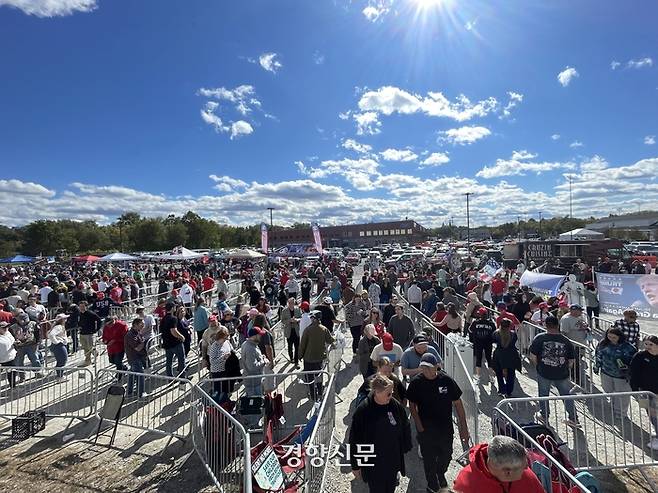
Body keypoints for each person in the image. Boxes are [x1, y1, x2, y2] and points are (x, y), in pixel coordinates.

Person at [407, 352, 470, 492]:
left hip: (445, 429)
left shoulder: (446, 381)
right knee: (429, 460)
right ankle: (432, 485)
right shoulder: (416, 382)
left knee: (446, 455)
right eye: (423, 367)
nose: (426, 371)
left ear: (436, 366)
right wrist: (418, 424)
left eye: (429, 367)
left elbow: (458, 403)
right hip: (426, 430)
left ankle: (440, 473)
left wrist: (463, 427)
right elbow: (412, 404)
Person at [349, 374, 412, 493]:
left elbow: (405, 424)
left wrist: (405, 445)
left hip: (392, 459)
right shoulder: (363, 411)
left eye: (392, 392)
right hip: (373, 463)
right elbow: (354, 440)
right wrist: (355, 465)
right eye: (388, 394)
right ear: (377, 392)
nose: (391, 395)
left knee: (390, 488)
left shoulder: (394, 405)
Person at [529, 315, 580, 428]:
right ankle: (573, 418)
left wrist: (538, 366)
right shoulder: (566, 340)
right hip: (562, 373)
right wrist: (566, 368)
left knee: (543, 394)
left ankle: (544, 415)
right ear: (558, 325)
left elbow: (533, 355)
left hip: (544, 371)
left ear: (545, 325)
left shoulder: (539, 338)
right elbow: (571, 360)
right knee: (566, 395)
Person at [453, 435, 545, 493]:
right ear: (507, 473)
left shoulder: (526, 476)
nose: (526, 469)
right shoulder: (467, 485)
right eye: (522, 467)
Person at [593, 327, 636, 419]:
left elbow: (634, 362)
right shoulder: (603, 343)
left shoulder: (629, 347)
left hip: (621, 376)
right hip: (606, 372)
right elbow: (598, 355)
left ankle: (621, 413)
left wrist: (628, 368)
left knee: (622, 395)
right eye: (609, 336)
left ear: (620, 337)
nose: (611, 339)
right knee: (609, 391)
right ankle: (614, 407)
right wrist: (597, 366)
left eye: (614, 337)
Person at [629, 335, 658, 450]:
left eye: (651, 344)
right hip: (643, 392)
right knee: (650, 414)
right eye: (646, 344)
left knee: (656, 415)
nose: (648, 347)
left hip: (656, 393)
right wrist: (635, 390)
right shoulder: (640, 356)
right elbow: (633, 373)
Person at [299, 310, 335, 400]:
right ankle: (320, 392)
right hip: (319, 358)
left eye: (311, 317)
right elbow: (330, 340)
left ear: (314, 318)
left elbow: (302, 345)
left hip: (308, 359)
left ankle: (313, 395)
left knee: (310, 378)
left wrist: (300, 356)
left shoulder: (307, 330)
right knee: (319, 376)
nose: (310, 319)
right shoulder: (324, 329)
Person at [492, 318, 521, 398]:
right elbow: (515, 342)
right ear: (509, 326)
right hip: (511, 355)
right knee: (511, 374)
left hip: (499, 355)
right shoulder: (513, 334)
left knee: (499, 373)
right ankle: (509, 391)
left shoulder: (496, 333)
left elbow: (493, 341)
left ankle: (501, 390)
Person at [468, 307, 496, 381]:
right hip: (488, 343)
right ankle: (491, 376)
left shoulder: (475, 322)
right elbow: (494, 332)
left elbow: (470, 330)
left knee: (479, 358)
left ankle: (478, 376)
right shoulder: (491, 323)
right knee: (489, 359)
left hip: (478, 343)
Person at [124, 317, 149, 398]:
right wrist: (144, 342)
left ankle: (129, 392)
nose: (143, 326)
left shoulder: (137, 332)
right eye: (141, 324)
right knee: (140, 375)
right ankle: (141, 393)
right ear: (135, 325)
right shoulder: (130, 335)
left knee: (132, 375)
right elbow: (137, 348)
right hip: (134, 358)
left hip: (137, 358)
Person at [160, 302, 186, 379]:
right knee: (181, 360)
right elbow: (173, 331)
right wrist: (181, 337)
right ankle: (183, 377)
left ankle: (169, 377)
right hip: (175, 343)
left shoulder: (163, 319)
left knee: (169, 361)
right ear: (172, 308)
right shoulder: (173, 318)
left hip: (166, 343)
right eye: (174, 307)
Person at [240, 326, 268, 396]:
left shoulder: (249, 344)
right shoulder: (250, 348)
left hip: (254, 381)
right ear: (254, 336)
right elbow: (252, 367)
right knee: (256, 403)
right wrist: (263, 361)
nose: (261, 336)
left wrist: (261, 357)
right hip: (254, 383)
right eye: (259, 335)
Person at [209, 326, 233, 397]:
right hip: (217, 372)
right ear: (220, 337)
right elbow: (212, 361)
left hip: (226, 370)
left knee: (226, 390)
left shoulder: (227, 342)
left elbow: (232, 350)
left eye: (226, 338)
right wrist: (223, 358)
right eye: (224, 338)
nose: (226, 339)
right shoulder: (214, 346)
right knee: (218, 391)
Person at [78, 301, 102, 366]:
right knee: (85, 348)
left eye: (83, 306)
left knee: (91, 347)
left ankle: (96, 356)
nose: (81, 308)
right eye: (80, 307)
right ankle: (87, 360)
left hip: (90, 334)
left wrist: (96, 329)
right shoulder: (79, 314)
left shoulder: (91, 313)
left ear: (86, 306)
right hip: (82, 333)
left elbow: (99, 320)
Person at [280, 297, 301, 368]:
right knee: (290, 346)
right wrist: (290, 320)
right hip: (289, 331)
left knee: (297, 347)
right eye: (289, 303)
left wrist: (297, 320)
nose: (291, 304)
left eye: (292, 303)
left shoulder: (298, 309)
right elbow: (282, 320)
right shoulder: (284, 310)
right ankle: (291, 358)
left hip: (296, 330)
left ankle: (296, 361)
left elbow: (301, 317)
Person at [48, 313, 69, 379]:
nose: (66, 319)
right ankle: (60, 376)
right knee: (62, 360)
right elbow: (51, 335)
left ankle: (60, 375)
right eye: (64, 318)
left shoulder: (60, 326)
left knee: (61, 360)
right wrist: (57, 342)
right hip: (59, 346)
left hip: (60, 345)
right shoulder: (58, 327)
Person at [0, 321, 17, 388]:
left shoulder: (8, 333)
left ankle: (13, 386)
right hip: (1, 359)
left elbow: (12, 341)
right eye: (3, 327)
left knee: (12, 373)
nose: (6, 328)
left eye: (7, 326)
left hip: (11, 357)